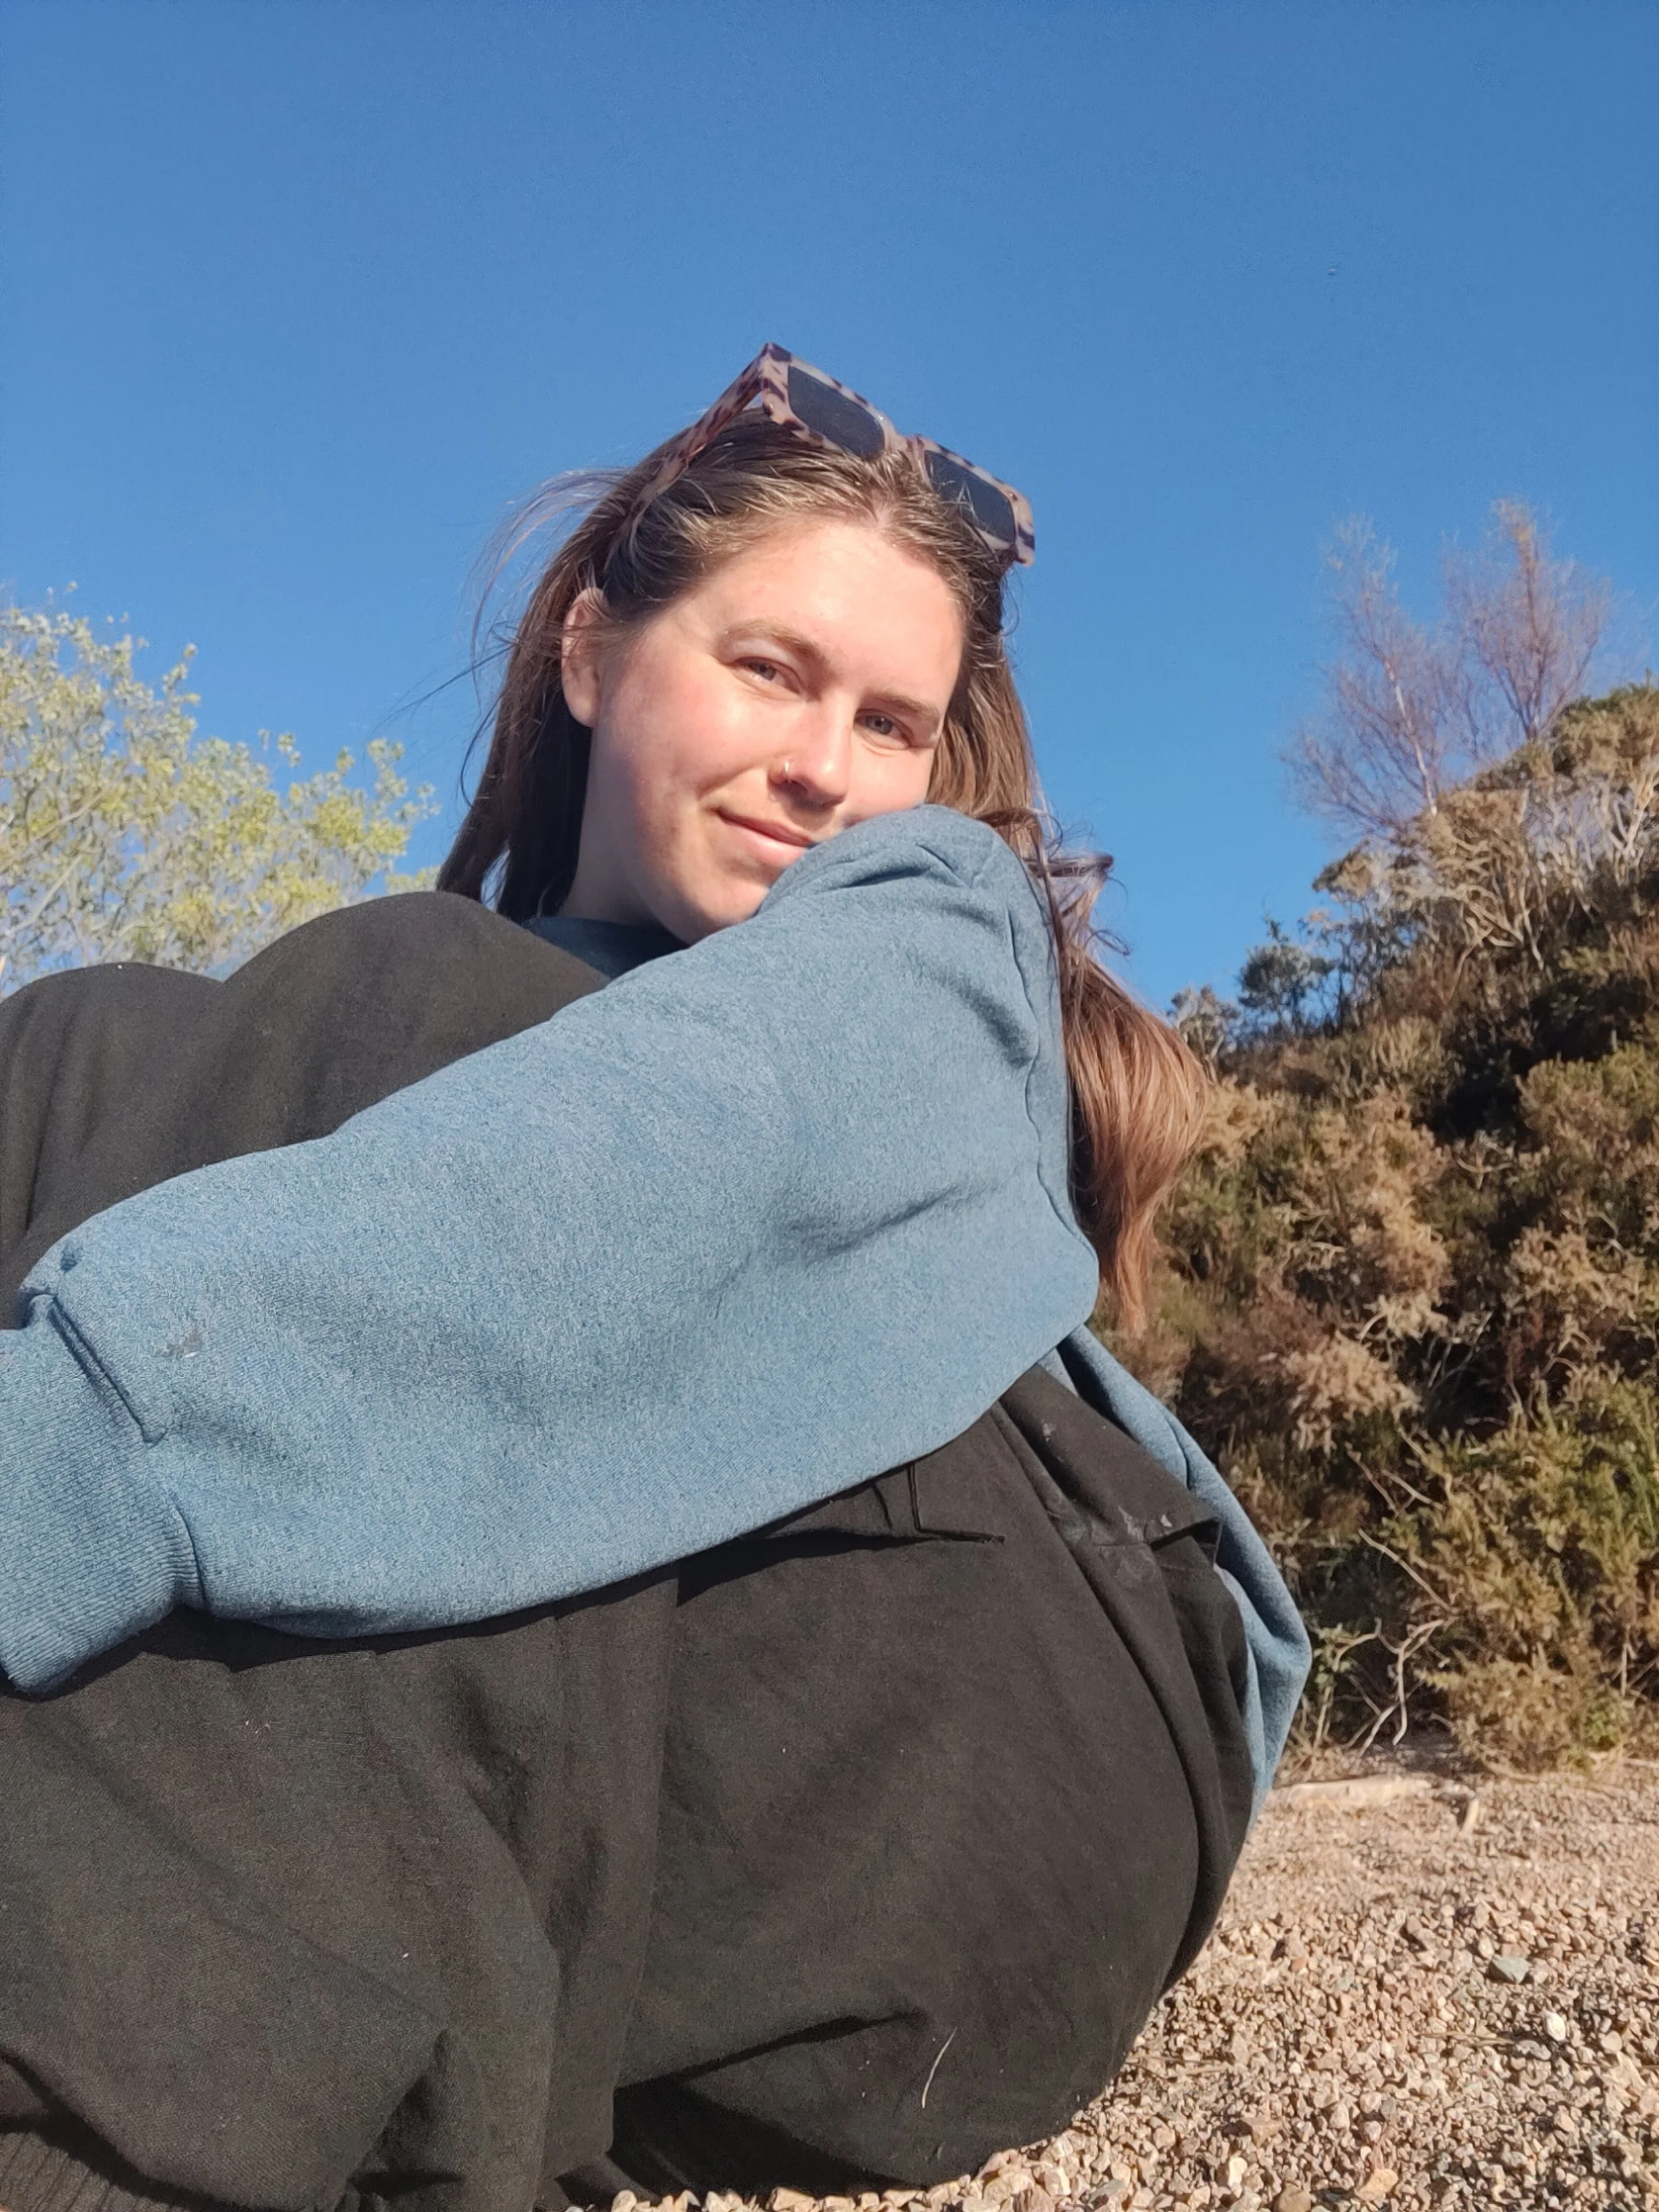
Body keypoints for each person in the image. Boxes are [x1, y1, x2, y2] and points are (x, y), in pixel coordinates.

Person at [0, 349, 1309, 2212]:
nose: (820, 764)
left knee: (418, 996)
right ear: (592, 653)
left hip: (1006, 1702)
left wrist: (60, 1463)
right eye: (769, 668)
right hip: (611, 1802)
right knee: (96, 1043)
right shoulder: (309, 1047)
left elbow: (686, 1141)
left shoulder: (934, 916)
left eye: (888, 720)